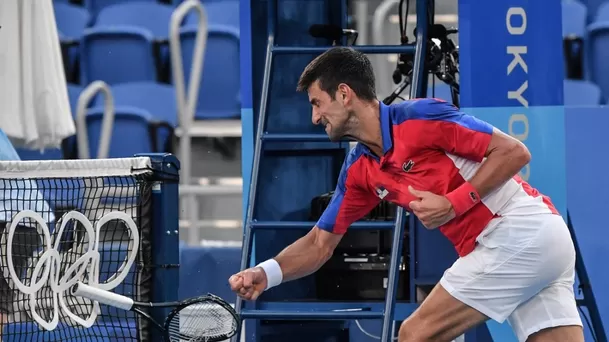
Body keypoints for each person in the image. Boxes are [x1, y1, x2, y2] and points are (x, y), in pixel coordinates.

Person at [228, 47, 583, 342]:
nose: (314, 116)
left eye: (317, 103)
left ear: (344, 94)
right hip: (541, 244)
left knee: (415, 335)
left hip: (516, 232)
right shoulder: (359, 170)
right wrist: (267, 272)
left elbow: (515, 153)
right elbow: (320, 243)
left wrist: (454, 203)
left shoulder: (420, 117)